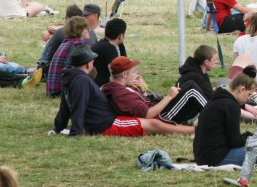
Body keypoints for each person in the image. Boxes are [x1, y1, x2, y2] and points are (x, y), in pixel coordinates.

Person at [54, 46, 194, 137]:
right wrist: (76, 133)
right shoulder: (82, 80)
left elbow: (65, 105)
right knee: (153, 124)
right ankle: (195, 131)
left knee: (152, 123)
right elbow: (79, 106)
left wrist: (59, 126)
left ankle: (191, 129)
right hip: (106, 124)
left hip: (104, 121)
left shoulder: (70, 78)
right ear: (87, 64)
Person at [194, 67, 257, 167]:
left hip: (202, 156)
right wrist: (255, 138)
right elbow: (235, 142)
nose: (248, 99)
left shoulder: (217, 100)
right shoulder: (231, 106)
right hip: (216, 158)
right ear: (241, 89)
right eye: (249, 94)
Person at [102, 56, 207, 125]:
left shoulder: (125, 87)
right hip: (161, 117)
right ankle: (215, 114)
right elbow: (148, 114)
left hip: (160, 111)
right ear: (124, 74)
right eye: (133, 72)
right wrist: (169, 97)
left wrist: (143, 91)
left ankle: (209, 114)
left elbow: (143, 103)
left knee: (189, 85)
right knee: (191, 89)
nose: (137, 75)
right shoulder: (120, 93)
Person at [46, 16, 91, 96]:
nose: (89, 30)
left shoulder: (67, 42)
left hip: (53, 88)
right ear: (79, 29)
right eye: (86, 28)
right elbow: (88, 67)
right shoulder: (79, 44)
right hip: (62, 90)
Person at [91, 18, 127, 87]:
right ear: (121, 36)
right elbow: (116, 75)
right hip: (101, 87)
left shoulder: (102, 44)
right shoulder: (109, 49)